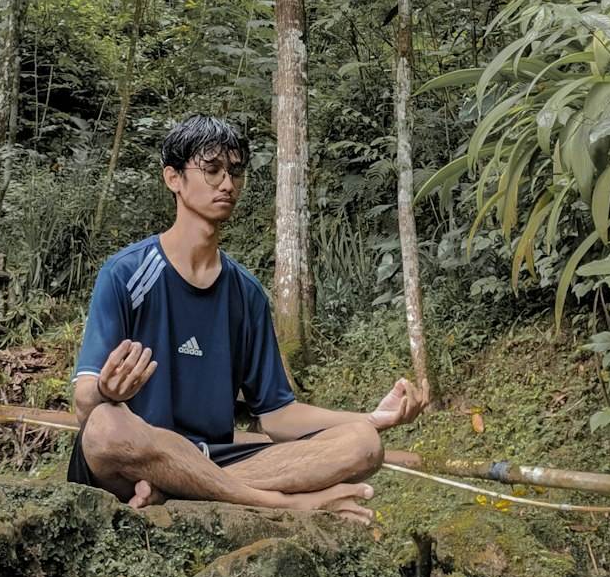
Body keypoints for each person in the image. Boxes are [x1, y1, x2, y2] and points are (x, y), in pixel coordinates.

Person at [67, 113, 430, 525]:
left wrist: (372, 418)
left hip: (214, 457)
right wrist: (106, 390)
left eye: (235, 172)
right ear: (173, 178)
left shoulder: (246, 293)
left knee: (362, 444)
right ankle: (282, 504)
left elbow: (278, 417)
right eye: (212, 169)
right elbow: (84, 405)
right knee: (105, 427)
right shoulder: (127, 273)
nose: (227, 183)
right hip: (143, 453)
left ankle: (177, 492)